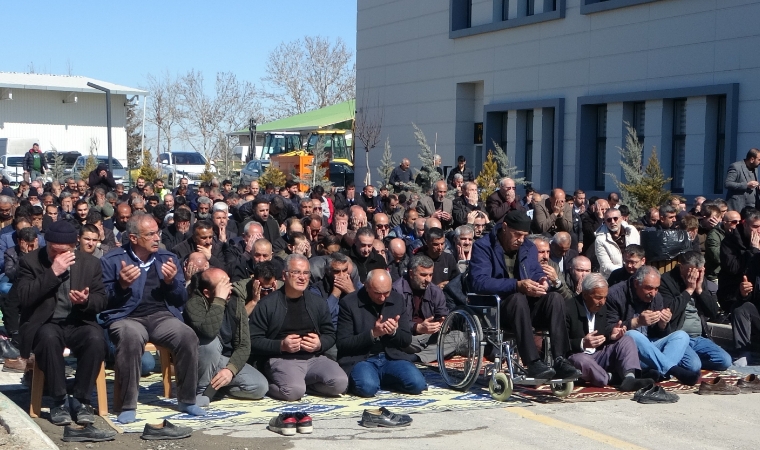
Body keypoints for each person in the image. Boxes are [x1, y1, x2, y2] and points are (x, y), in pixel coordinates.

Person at [100, 214, 204, 424]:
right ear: (134, 238)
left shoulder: (168, 258)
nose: (157, 237)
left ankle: (187, 399)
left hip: (160, 316)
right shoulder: (112, 260)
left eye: (157, 232)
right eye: (151, 234)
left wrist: (170, 282)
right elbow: (102, 300)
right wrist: (121, 286)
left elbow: (181, 299)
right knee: (130, 337)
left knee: (187, 336)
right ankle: (128, 404)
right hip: (126, 316)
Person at [468, 210, 580, 380]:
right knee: (517, 297)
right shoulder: (483, 246)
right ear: (505, 227)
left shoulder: (528, 247)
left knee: (555, 298)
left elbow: (535, 272)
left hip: (527, 307)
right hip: (499, 310)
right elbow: (479, 282)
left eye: (524, 235)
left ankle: (560, 359)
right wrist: (516, 285)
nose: (521, 239)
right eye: (517, 235)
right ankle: (533, 361)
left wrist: (542, 281)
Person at [17, 221, 108, 428]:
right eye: (53, 251)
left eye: (63, 252)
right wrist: (52, 273)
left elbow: (101, 299)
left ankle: (82, 399)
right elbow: (23, 297)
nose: (58, 256)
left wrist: (86, 301)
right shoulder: (30, 262)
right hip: (46, 322)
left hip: (78, 320)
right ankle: (59, 400)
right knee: (48, 338)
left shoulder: (90, 263)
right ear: (46, 243)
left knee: (95, 340)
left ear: (74, 246)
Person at [249, 254, 348, 401]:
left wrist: (320, 344)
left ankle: (303, 385)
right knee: (293, 392)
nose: (302, 277)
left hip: (313, 357)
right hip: (282, 358)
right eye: (296, 272)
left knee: (340, 383)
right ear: (284, 275)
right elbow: (253, 339)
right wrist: (281, 345)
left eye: (306, 273)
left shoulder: (318, 303)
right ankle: (276, 384)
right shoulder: (267, 304)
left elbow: (330, 333)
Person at [337, 269, 427, 397]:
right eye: (377, 293)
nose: (382, 297)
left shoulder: (397, 299)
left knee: (417, 384)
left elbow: (406, 339)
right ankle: (376, 379)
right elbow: (343, 343)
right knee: (366, 388)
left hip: (391, 357)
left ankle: (383, 379)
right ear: (366, 287)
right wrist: (373, 334)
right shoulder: (349, 303)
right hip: (361, 358)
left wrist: (393, 332)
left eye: (386, 293)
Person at [184, 268, 268, 403]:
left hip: (225, 361)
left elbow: (244, 345)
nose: (229, 290)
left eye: (228, 283)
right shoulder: (194, 304)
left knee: (260, 387)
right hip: (201, 360)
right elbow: (209, 331)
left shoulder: (236, 302)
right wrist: (219, 300)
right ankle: (201, 391)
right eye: (222, 286)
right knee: (211, 343)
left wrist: (230, 370)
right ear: (206, 292)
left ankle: (215, 388)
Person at [605, 266, 698, 385]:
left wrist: (662, 324)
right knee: (632, 335)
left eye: (656, 289)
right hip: (627, 353)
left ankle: (658, 373)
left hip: (650, 350)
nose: (653, 293)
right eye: (648, 288)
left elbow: (660, 335)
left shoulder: (656, 297)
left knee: (681, 335)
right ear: (636, 283)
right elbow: (608, 329)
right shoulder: (615, 294)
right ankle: (672, 370)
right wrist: (636, 322)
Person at [565, 274, 652, 391]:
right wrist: (582, 343)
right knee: (581, 360)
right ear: (585, 295)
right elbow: (561, 343)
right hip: (577, 357)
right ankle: (611, 378)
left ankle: (629, 378)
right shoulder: (568, 308)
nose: (602, 302)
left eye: (605, 297)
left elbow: (602, 334)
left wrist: (611, 334)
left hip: (598, 355)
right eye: (598, 297)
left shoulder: (602, 307)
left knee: (627, 340)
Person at [659, 252, 731, 372]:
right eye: (691, 271)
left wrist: (699, 290)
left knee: (725, 361)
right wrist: (689, 290)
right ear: (681, 267)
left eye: (698, 271)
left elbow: (713, 312)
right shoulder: (666, 281)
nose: (694, 275)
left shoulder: (700, 280)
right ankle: (676, 359)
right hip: (678, 338)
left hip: (698, 337)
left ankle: (689, 360)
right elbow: (670, 312)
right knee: (693, 366)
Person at [392, 255, 464, 363]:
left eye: (430, 275)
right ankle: (436, 352)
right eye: (423, 275)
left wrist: (443, 324)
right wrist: (417, 327)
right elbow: (394, 322)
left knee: (459, 336)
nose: (428, 279)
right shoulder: (396, 290)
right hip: (409, 337)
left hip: (430, 336)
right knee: (396, 338)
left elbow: (443, 314)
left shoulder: (435, 291)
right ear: (411, 274)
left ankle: (417, 357)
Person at [718, 209, 760, 309]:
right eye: (755, 227)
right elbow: (733, 268)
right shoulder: (729, 242)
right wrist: (752, 251)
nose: (759, 230)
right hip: (733, 294)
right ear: (745, 225)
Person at [595, 208, 640, 279]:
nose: (612, 222)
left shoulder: (632, 231)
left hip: (634, 274)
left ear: (621, 218)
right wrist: (625, 270)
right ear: (605, 222)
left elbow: (639, 253)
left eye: (615, 218)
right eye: (609, 220)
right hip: (613, 277)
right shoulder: (600, 239)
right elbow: (605, 265)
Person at [706, 210, 740, 283]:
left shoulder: (740, 234)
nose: (738, 224)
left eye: (740, 221)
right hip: (717, 274)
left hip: (735, 272)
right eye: (734, 222)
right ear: (725, 223)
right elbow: (718, 257)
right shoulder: (714, 235)